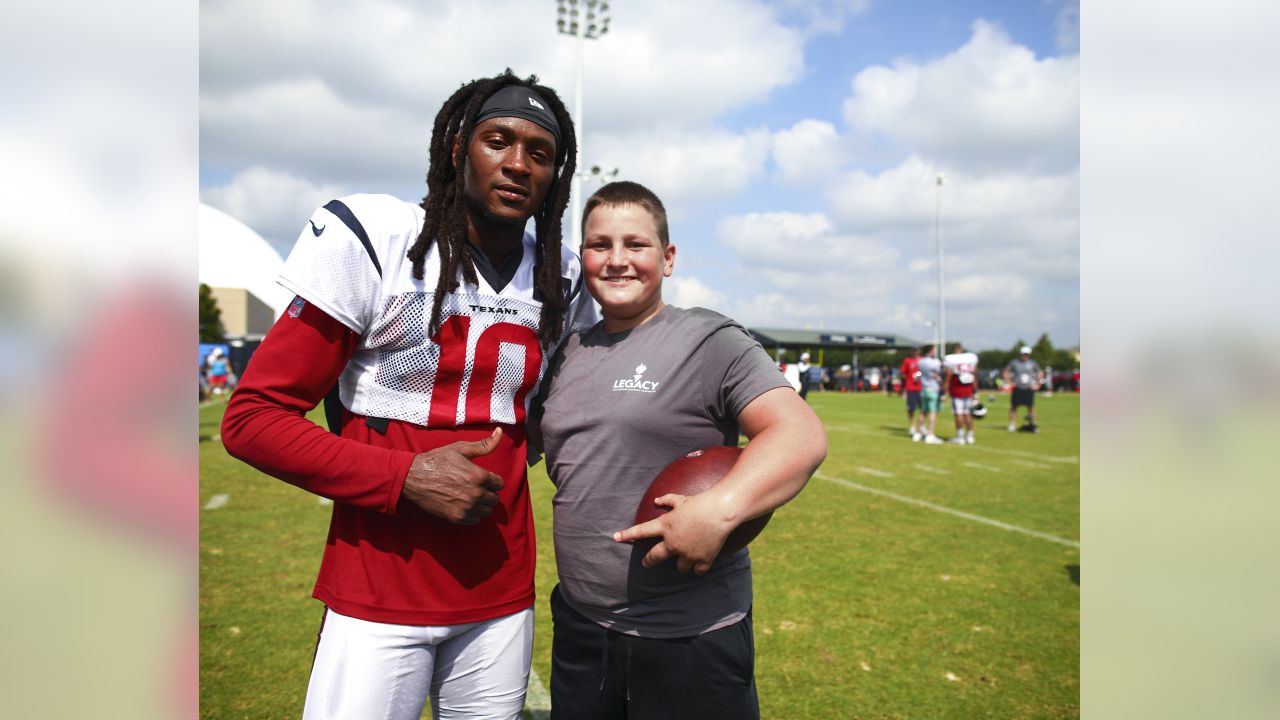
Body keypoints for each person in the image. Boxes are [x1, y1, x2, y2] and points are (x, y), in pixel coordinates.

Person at [221, 71, 597, 720]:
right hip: (378, 584)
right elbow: (251, 419)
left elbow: (562, 414)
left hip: (501, 588)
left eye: (539, 153)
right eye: (497, 140)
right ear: (457, 149)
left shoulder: (561, 272)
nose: (516, 164)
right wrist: (404, 475)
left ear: (555, 177)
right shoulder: (379, 240)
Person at [533, 181, 827, 720]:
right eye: (600, 245)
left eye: (636, 245)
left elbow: (799, 434)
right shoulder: (565, 352)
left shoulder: (709, 339)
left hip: (689, 636)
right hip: (581, 627)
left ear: (667, 259)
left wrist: (720, 508)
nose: (617, 260)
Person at [943, 341, 980, 444]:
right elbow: (975, 376)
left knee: (959, 414)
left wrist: (945, 391)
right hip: (968, 390)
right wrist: (976, 391)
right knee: (968, 413)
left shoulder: (953, 361)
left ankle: (960, 436)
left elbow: (948, 376)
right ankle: (970, 435)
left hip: (957, 390)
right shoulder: (970, 360)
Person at [1004, 345, 1045, 432]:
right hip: (1017, 387)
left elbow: (1040, 372)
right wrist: (1010, 383)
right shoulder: (1014, 362)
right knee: (1014, 407)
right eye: (1024, 354)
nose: (1025, 356)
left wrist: (1038, 384)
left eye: (1027, 354)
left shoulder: (1033, 363)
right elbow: (1006, 372)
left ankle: (1032, 424)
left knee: (1031, 407)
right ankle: (1012, 424)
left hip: (1029, 387)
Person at [916, 344, 944, 444]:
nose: (935, 352)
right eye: (934, 350)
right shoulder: (935, 362)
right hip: (933, 389)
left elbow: (918, 375)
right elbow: (939, 374)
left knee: (923, 412)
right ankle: (930, 435)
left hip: (923, 389)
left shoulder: (920, 362)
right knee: (933, 412)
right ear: (930, 351)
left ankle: (918, 433)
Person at [899, 347, 924, 440]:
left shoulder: (922, 360)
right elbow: (903, 372)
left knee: (923, 408)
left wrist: (918, 376)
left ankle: (921, 425)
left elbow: (925, 372)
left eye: (916, 350)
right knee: (911, 408)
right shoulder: (907, 360)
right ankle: (912, 426)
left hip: (921, 388)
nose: (915, 351)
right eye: (913, 350)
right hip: (911, 388)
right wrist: (909, 378)